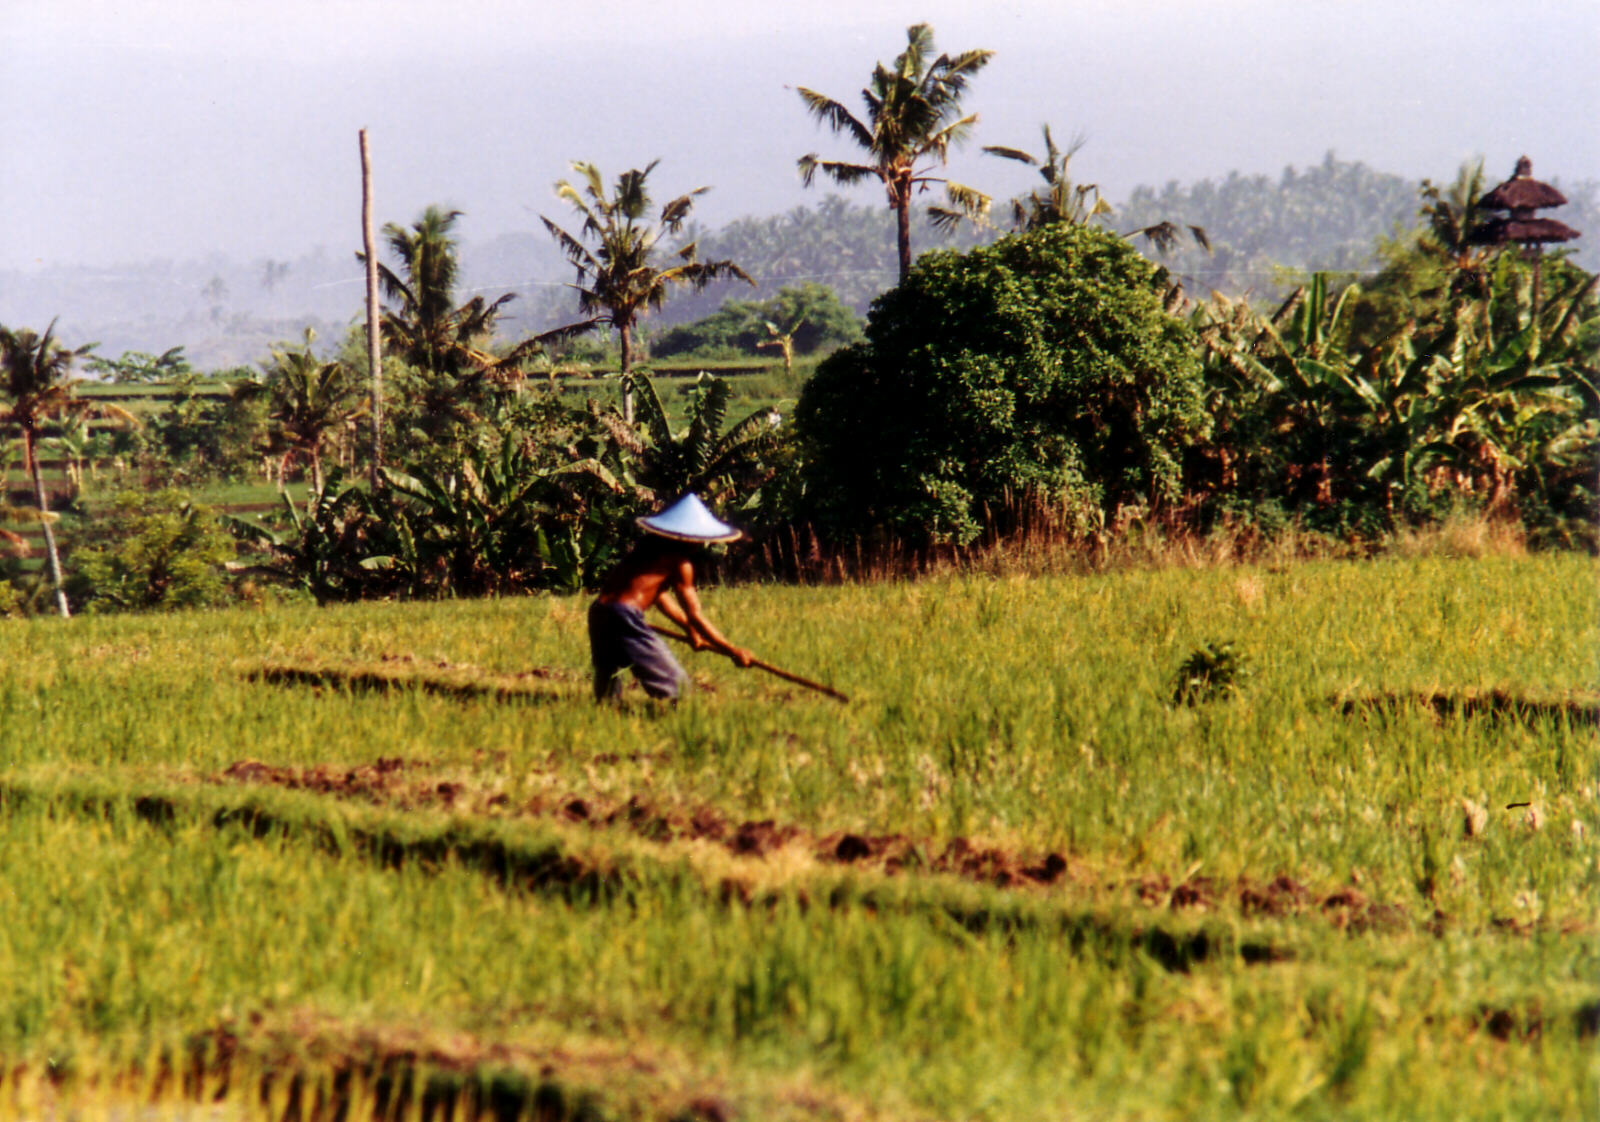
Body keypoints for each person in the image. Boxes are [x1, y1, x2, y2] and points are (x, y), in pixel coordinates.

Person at [588, 494, 754, 703]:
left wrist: (690, 631)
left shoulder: (646, 548)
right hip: (624, 615)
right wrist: (732, 650)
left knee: (608, 683)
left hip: (599, 611)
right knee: (677, 686)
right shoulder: (681, 564)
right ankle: (675, 719)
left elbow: (661, 597)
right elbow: (695, 615)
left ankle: (607, 717)